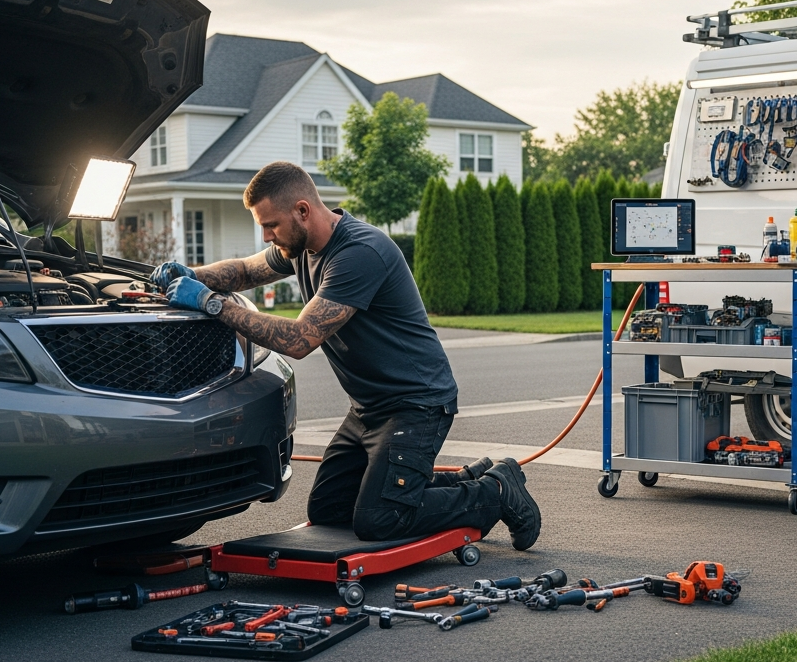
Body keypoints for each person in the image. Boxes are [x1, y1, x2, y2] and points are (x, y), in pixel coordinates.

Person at [150, 161, 540, 550]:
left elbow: (300, 339)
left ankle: (496, 490)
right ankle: (467, 478)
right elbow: (245, 272)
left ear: (302, 211)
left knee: (380, 518)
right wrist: (193, 275)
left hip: (415, 405)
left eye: (271, 225)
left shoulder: (358, 252)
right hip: (368, 409)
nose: (267, 236)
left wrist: (212, 303)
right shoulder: (299, 246)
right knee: (330, 511)